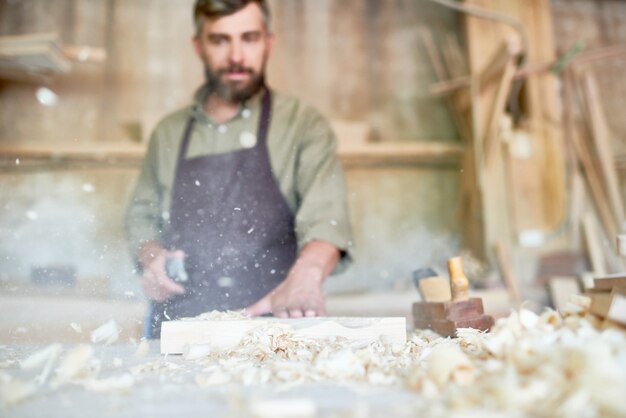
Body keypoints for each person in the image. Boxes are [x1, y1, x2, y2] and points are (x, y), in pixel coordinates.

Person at [125, 0, 353, 338]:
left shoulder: (303, 125)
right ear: (198, 46)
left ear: (268, 43)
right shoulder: (168, 133)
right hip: (177, 333)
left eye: (249, 38)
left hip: (275, 331)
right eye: (220, 40)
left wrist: (306, 277)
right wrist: (153, 257)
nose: (236, 56)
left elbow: (327, 218)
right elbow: (140, 217)